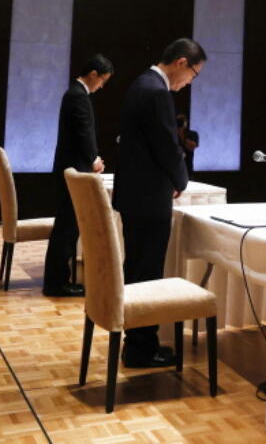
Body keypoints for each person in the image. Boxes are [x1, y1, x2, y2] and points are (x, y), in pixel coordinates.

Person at [112, 38, 205, 368]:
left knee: (137, 267)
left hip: (136, 195)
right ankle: (141, 348)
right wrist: (181, 181)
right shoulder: (157, 91)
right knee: (147, 271)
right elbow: (167, 146)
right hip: (149, 198)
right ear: (181, 62)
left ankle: (135, 342)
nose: (190, 82)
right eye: (193, 73)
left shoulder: (141, 83)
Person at [43, 53, 112, 298]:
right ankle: (56, 282)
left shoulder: (74, 94)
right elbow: (83, 133)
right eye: (102, 80)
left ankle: (57, 280)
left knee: (67, 228)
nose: (101, 86)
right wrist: (93, 160)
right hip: (74, 171)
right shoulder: (77, 96)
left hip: (69, 170)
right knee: (66, 229)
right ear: (93, 74)